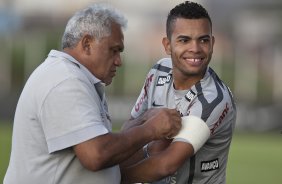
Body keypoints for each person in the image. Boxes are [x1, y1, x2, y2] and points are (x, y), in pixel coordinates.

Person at [3, 3, 182, 184]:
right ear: (87, 44)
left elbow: (104, 147)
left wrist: (141, 122)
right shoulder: (66, 81)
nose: (119, 61)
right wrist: (151, 129)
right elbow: (96, 154)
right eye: (114, 50)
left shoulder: (77, 78)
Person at [121, 1, 237, 184]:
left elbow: (166, 164)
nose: (195, 49)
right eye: (184, 40)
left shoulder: (214, 99)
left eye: (203, 40)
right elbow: (129, 129)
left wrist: (110, 178)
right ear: (167, 45)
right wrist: (147, 118)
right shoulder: (158, 70)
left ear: (212, 44)